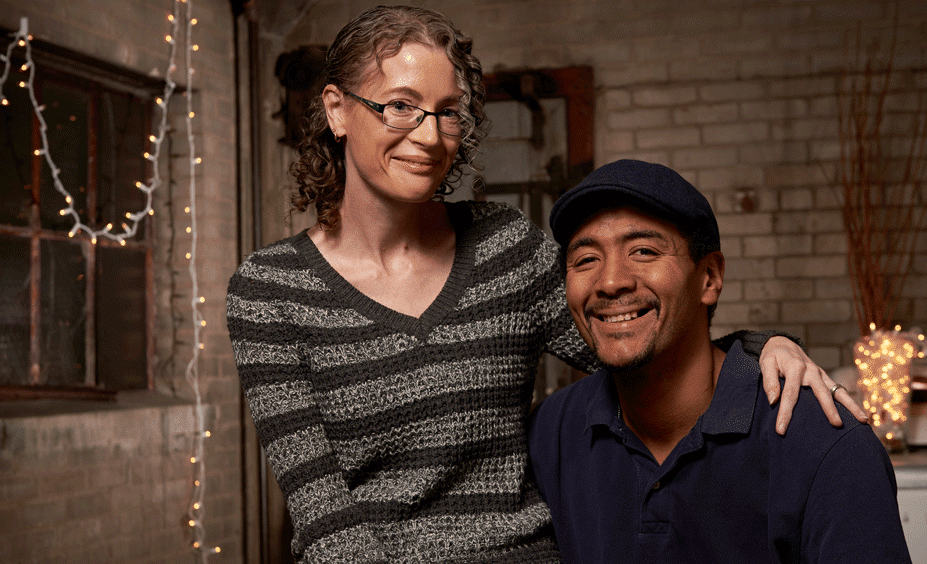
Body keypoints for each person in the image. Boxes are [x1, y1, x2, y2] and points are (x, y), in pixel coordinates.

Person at [226, 6, 865, 563]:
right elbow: (321, 512)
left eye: (448, 113)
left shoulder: (505, 247)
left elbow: (640, 349)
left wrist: (758, 348)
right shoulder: (269, 291)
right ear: (338, 110)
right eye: (400, 106)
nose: (428, 135)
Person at [528, 159, 910, 563]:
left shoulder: (822, 440)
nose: (610, 281)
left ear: (709, 277)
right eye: (586, 259)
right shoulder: (550, 433)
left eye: (643, 251)